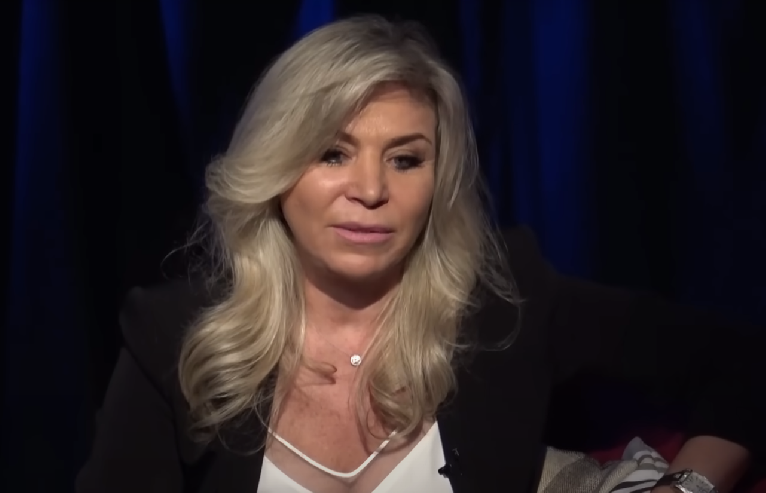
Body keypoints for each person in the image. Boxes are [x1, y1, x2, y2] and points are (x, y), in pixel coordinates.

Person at [76, 15, 765, 493]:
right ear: (277, 169)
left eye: (405, 159)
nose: (371, 190)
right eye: (333, 153)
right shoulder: (174, 337)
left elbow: (743, 366)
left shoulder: (502, 302)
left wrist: (684, 486)